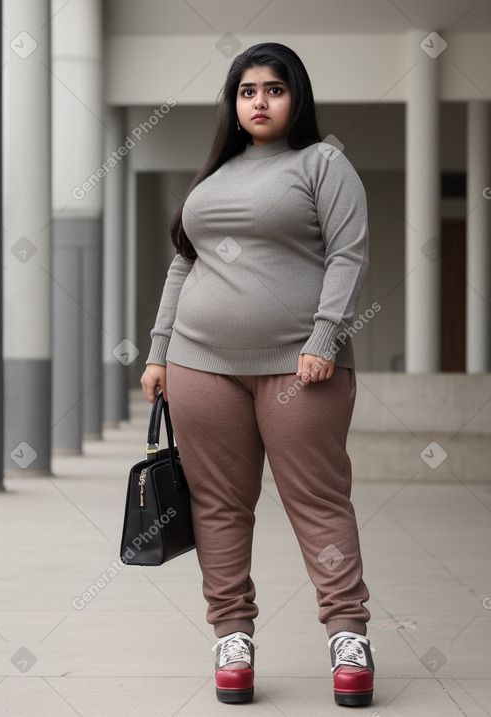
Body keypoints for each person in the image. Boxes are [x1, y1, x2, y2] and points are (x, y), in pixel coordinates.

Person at [141, 42, 374, 707]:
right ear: (233, 103)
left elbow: (349, 254)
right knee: (218, 505)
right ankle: (232, 637)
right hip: (199, 363)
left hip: (302, 366)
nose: (260, 101)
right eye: (247, 91)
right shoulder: (214, 177)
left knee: (318, 501)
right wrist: (158, 352)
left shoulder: (322, 162)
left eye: (273, 89)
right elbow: (184, 264)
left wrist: (324, 336)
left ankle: (349, 635)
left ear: (295, 96)